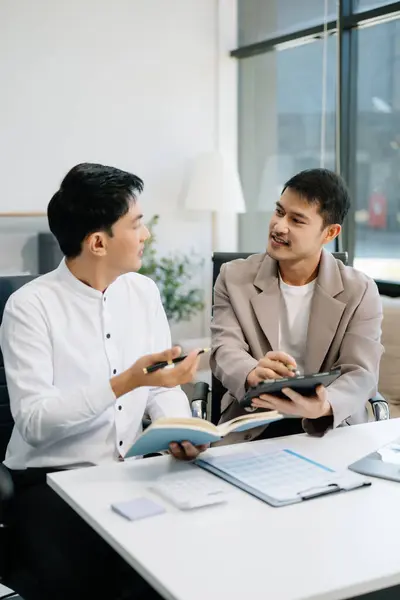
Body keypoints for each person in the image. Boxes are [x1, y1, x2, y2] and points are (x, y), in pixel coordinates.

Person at [0, 163, 206, 600]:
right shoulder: (29, 308)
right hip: (50, 484)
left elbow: (161, 386)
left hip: (129, 475)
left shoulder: (143, 292)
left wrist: (181, 429)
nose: (146, 234)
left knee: (184, 567)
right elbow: (35, 420)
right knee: (101, 584)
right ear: (98, 241)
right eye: (136, 224)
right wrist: (122, 382)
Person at [211, 168, 384, 444]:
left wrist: (325, 406)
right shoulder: (233, 278)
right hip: (254, 420)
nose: (279, 226)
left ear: (330, 233)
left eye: (297, 220)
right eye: (279, 212)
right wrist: (252, 372)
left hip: (329, 424)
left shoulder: (360, 290)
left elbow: (361, 372)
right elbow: (224, 348)